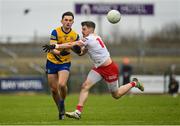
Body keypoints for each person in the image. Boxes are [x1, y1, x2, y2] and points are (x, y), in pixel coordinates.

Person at [43, 21, 144, 120]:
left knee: (116, 95)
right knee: (85, 86)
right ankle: (78, 112)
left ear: (90, 29)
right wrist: (77, 50)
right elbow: (82, 52)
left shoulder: (90, 38)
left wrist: (55, 46)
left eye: (84, 29)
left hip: (110, 69)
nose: (82, 31)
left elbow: (71, 44)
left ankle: (134, 83)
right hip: (98, 69)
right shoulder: (94, 37)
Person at [45, 11, 79, 120]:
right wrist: (60, 52)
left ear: (73, 22)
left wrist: (79, 50)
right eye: (66, 20)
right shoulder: (55, 32)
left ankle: (62, 102)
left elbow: (79, 50)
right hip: (51, 62)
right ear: (62, 21)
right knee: (54, 90)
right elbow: (52, 48)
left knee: (62, 84)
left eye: (70, 20)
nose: (68, 22)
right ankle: (60, 109)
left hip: (64, 63)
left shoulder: (75, 35)